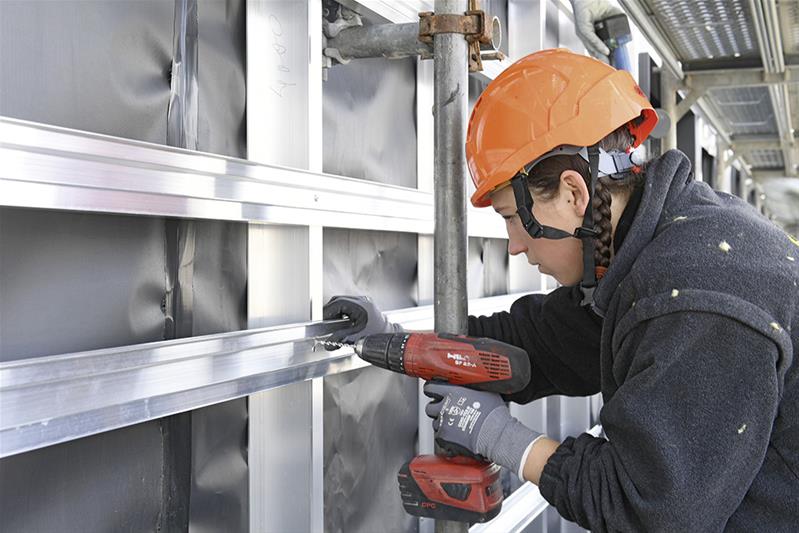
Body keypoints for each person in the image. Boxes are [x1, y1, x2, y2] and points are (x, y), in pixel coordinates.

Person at [324, 49, 798, 531]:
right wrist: (396, 340)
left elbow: (648, 510)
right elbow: (542, 344)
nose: (512, 246)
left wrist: (504, 438)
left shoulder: (698, 297)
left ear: (574, 194)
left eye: (512, 217)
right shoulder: (649, 254)